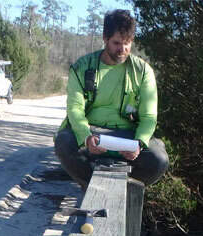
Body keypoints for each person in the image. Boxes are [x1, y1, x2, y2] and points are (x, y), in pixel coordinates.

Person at [53, 9, 168, 189]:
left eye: (127, 43)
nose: (122, 49)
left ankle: (127, 188)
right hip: (93, 134)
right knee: (63, 142)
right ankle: (93, 187)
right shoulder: (82, 68)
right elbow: (75, 109)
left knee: (159, 159)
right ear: (105, 38)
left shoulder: (143, 71)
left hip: (128, 137)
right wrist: (86, 136)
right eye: (116, 43)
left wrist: (139, 142)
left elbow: (149, 116)